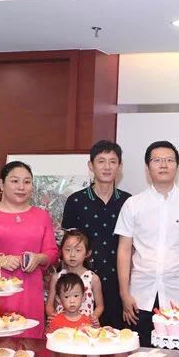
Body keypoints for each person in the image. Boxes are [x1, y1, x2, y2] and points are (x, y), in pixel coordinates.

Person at [115, 141, 179, 346]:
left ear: (177, 166)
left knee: (177, 355)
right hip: (139, 296)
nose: (164, 165)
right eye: (157, 160)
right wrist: (124, 293)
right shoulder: (133, 204)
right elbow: (124, 250)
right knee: (139, 355)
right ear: (147, 168)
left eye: (169, 160)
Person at [0, 161, 59, 338]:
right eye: (15, 181)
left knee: (28, 344)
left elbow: (52, 253)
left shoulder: (41, 216)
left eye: (27, 182)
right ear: (1, 184)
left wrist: (38, 258)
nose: (21, 187)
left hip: (30, 289)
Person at [61, 140, 131, 328]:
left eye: (112, 161)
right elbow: (67, 247)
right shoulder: (75, 201)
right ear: (91, 166)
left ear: (120, 166)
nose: (107, 167)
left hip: (120, 284)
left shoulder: (129, 202)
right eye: (101, 161)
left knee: (118, 339)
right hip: (82, 286)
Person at [45, 229, 103, 327]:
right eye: (68, 250)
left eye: (78, 250)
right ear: (61, 251)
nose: (72, 255)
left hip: (85, 326)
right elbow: (49, 304)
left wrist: (93, 318)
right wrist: (53, 316)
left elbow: (100, 306)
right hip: (62, 327)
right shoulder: (56, 277)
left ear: (88, 253)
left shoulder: (93, 279)